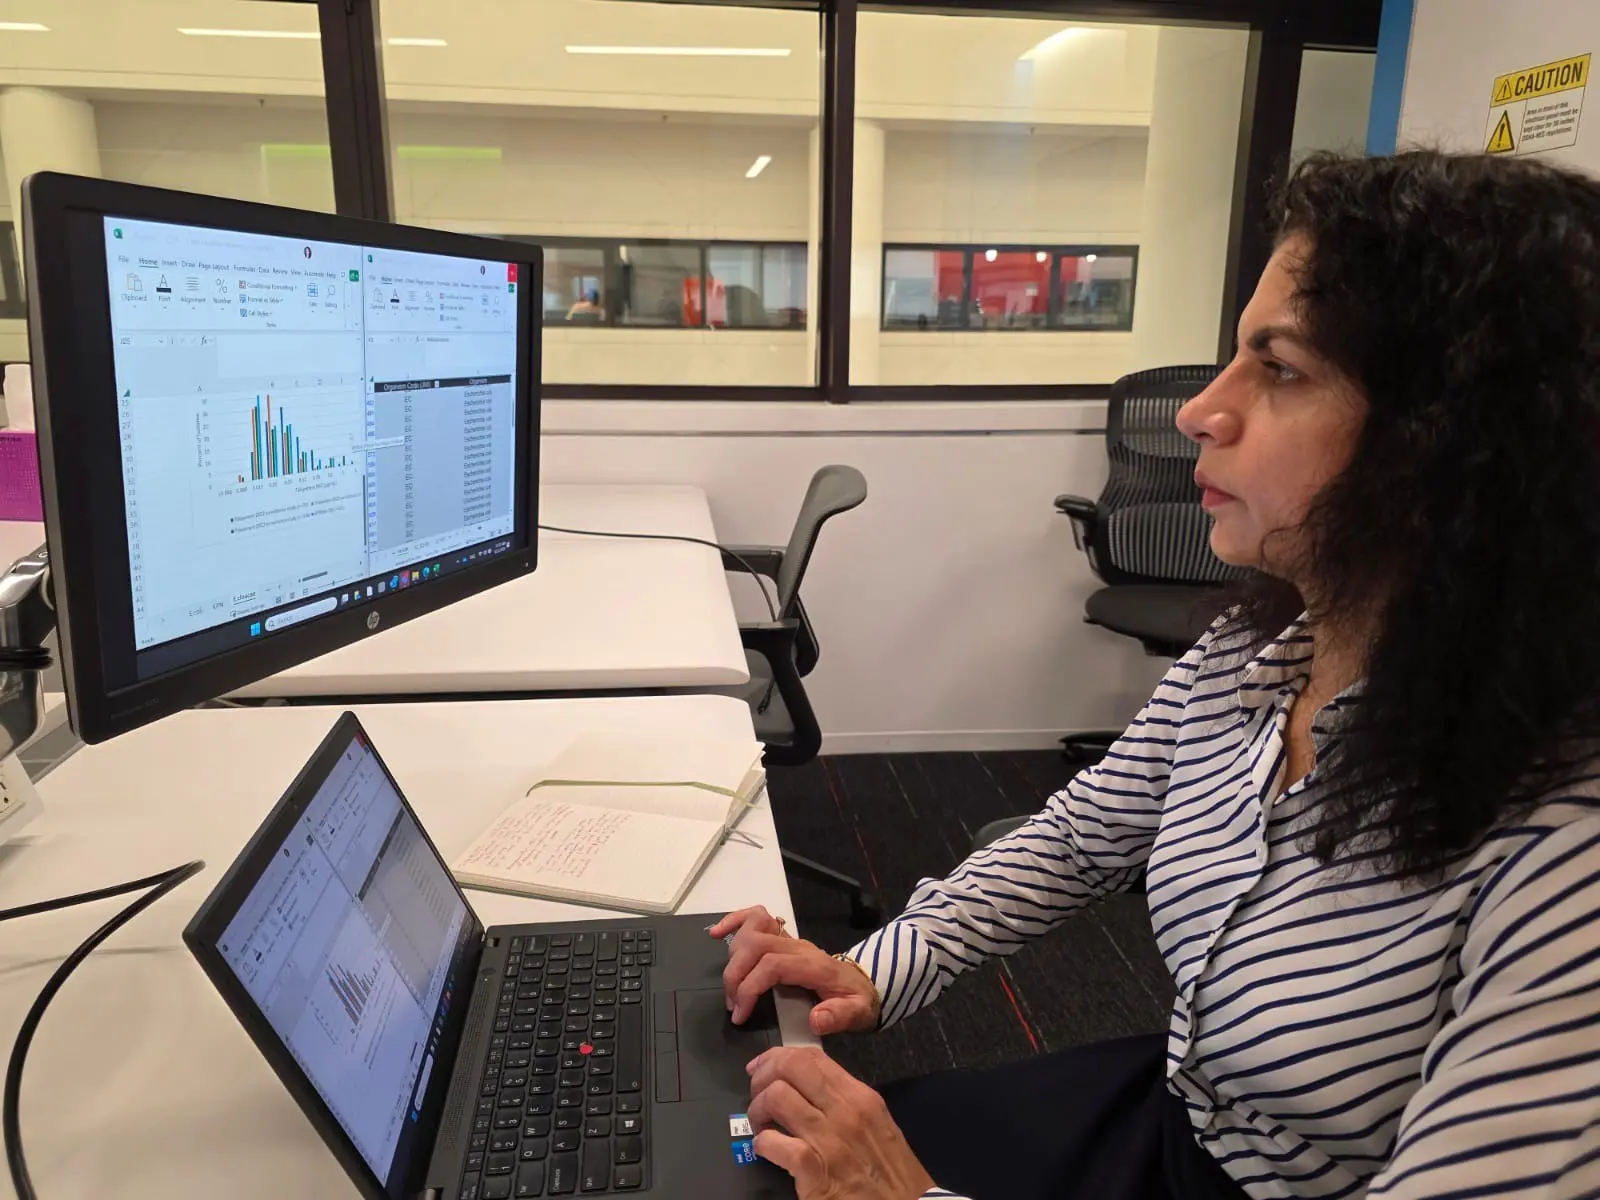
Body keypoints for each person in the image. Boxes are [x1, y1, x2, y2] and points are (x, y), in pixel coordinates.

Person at [711, 149, 1600, 1200]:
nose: (1199, 411)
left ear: (1456, 442)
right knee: (757, 1159)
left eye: (1279, 369)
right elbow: (1077, 840)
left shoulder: (1564, 856)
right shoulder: (1256, 655)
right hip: (1180, 1108)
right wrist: (875, 966)